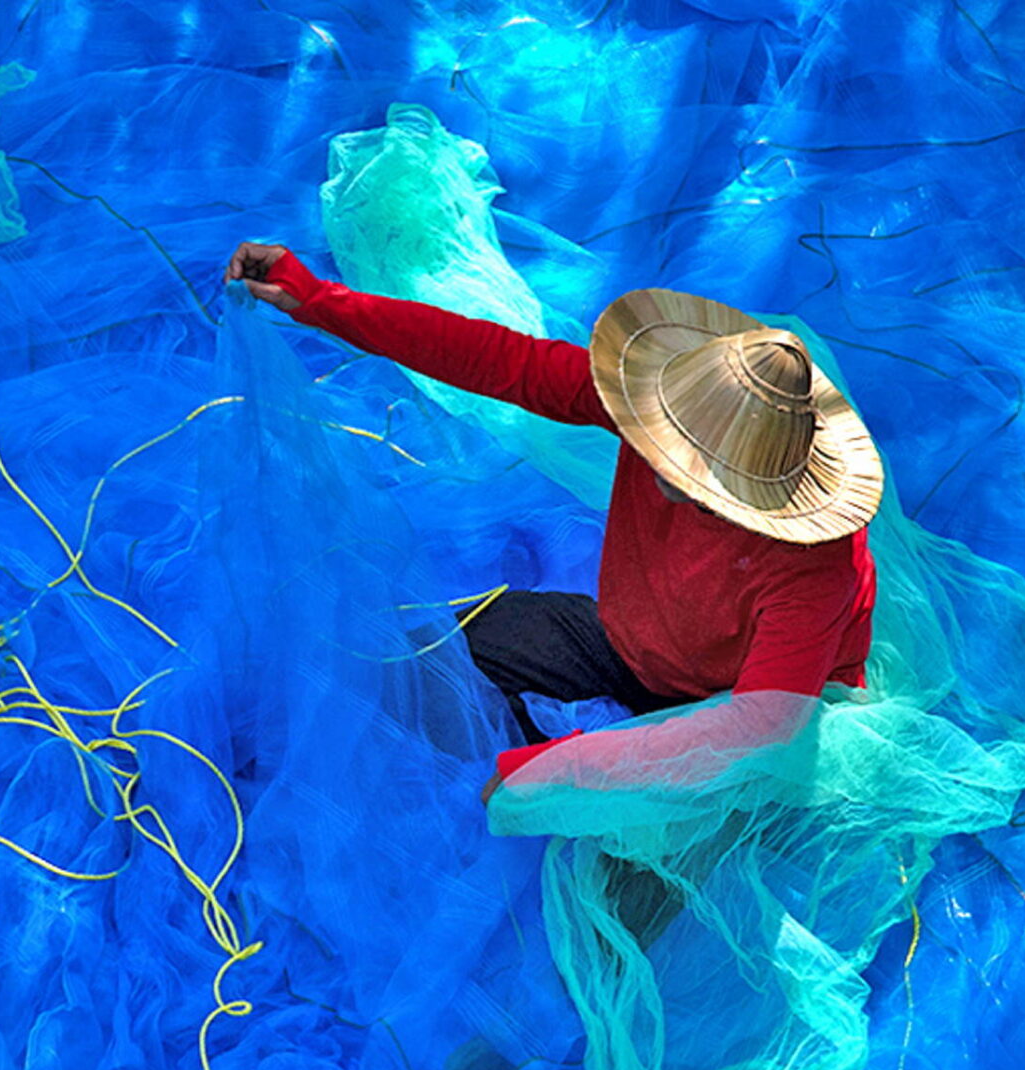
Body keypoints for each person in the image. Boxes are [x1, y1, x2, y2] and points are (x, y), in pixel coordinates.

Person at [222, 243, 887, 802]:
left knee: (633, 885)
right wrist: (319, 300)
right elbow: (501, 360)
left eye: (692, 472)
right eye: (664, 441)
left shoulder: (815, 564)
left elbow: (758, 728)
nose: (657, 458)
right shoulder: (653, 408)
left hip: (743, 723)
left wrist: (559, 769)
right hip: (634, 647)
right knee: (423, 664)